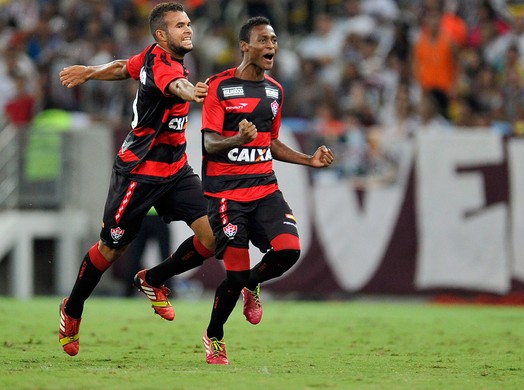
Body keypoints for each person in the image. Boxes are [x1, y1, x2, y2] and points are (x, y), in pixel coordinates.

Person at [57, 2, 215, 357]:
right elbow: (175, 86)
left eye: (188, 23)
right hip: (138, 172)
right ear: (162, 35)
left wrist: (90, 71)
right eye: (179, 25)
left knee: (213, 236)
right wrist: (193, 92)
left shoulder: (150, 56)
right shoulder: (164, 66)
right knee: (112, 249)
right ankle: (72, 308)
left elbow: (121, 67)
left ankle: (153, 279)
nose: (188, 29)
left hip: (174, 169)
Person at [200, 16, 335, 365]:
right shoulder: (219, 86)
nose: (271, 46)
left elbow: (271, 142)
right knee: (233, 275)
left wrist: (309, 160)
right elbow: (210, 144)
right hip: (227, 195)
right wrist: (236, 138)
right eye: (263, 40)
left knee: (289, 250)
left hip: (264, 188)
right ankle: (214, 335)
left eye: (274, 40)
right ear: (244, 46)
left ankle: (253, 283)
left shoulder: (275, 90)